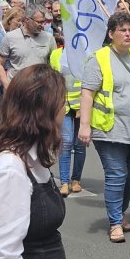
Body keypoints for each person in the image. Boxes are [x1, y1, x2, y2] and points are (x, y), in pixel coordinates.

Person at [0, 64, 67, 259]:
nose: (66, 110)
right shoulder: (10, 168)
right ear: (45, 109)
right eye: (62, 102)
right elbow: (1, 258)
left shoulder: (33, 158)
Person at [78, 11, 130, 243]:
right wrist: (84, 126)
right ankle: (115, 222)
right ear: (111, 34)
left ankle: (120, 210)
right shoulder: (98, 58)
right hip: (108, 130)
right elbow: (87, 93)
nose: (128, 34)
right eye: (123, 30)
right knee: (117, 175)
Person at [50, 38, 86, 197]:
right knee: (66, 141)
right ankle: (64, 181)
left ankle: (76, 179)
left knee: (80, 144)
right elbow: (53, 80)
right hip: (62, 103)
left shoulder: (86, 55)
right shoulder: (55, 54)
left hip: (81, 104)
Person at [0, 3, 54, 92]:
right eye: (39, 22)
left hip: (41, 92)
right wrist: (7, 86)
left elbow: (55, 65)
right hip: (16, 92)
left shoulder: (49, 38)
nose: (43, 25)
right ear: (27, 20)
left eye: (44, 22)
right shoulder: (10, 37)